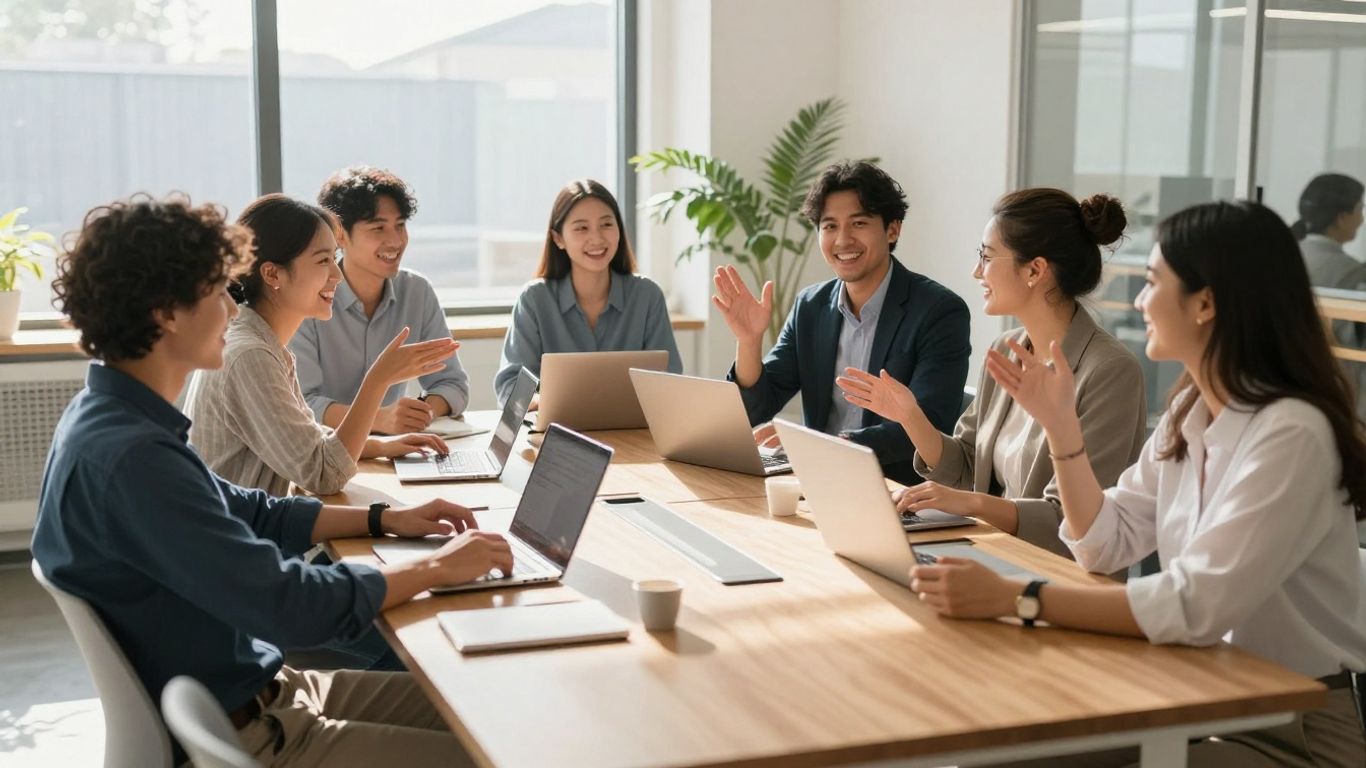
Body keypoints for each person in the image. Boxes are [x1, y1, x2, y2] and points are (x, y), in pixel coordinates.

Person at [32, 196, 513, 767]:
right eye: (217, 293)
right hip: (260, 730)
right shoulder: (132, 457)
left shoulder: (115, 419)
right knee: (503, 749)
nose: (233, 314)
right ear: (166, 312)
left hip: (274, 691)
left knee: (495, 708)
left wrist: (387, 519)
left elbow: (255, 511)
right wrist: (436, 566)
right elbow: (289, 603)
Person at [912, 200, 1366, 767]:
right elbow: (1103, 542)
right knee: (1003, 755)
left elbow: (1196, 604)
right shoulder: (1189, 415)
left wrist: (1019, 598)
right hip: (1201, 694)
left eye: (1153, 283)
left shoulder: (1292, 433)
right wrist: (1061, 430)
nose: (1139, 301)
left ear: (1206, 303)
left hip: (1291, 728)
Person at [836, 189, 1145, 556]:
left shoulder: (1110, 372)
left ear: (1035, 270)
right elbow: (967, 465)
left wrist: (972, 505)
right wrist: (910, 416)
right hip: (992, 555)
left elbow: (1077, 524)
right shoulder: (1006, 350)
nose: (976, 271)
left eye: (986, 256)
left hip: (1058, 577)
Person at [713, 161, 971, 484]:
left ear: (893, 229)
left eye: (859, 223)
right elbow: (757, 408)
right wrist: (749, 343)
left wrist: (827, 446)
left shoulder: (939, 311)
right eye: (830, 226)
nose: (842, 240)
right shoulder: (810, 306)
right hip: (817, 483)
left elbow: (929, 426)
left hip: (896, 491)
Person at [187, 194, 455, 497]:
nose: (337, 275)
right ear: (272, 273)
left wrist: (379, 446)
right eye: (323, 260)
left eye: (335, 258)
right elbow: (324, 475)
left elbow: (303, 439)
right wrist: (377, 380)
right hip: (240, 540)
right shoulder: (250, 355)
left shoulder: (262, 342)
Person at [291, 167, 470, 434]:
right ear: (339, 235)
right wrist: (378, 419)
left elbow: (452, 384)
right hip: (323, 453)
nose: (396, 240)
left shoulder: (417, 291)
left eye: (400, 226)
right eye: (378, 228)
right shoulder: (309, 297)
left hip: (393, 450)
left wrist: (419, 413)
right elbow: (302, 403)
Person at [495, 179, 681, 405]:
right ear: (558, 239)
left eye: (606, 224)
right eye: (582, 228)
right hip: (553, 432)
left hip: (631, 432)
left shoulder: (647, 296)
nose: (597, 238)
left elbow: (670, 380)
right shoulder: (534, 300)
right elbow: (511, 386)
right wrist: (543, 404)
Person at [1295, 172, 1366, 293]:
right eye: (1360, 208)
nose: (1362, 218)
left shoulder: (1285, 255)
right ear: (1341, 218)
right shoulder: (1353, 273)